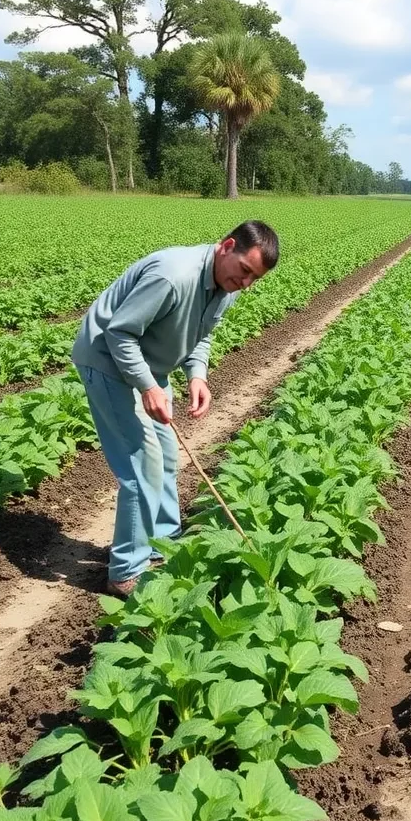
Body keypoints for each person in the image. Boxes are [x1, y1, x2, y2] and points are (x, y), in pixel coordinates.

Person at [72, 219, 279, 597]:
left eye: (255, 279)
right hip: (108, 360)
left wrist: (197, 376)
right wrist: (148, 387)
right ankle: (126, 572)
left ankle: (164, 544)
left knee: (166, 456)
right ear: (226, 245)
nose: (246, 283)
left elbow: (202, 334)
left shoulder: (225, 285)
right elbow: (119, 332)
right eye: (245, 271)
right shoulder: (174, 276)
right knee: (142, 465)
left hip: (149, 362)